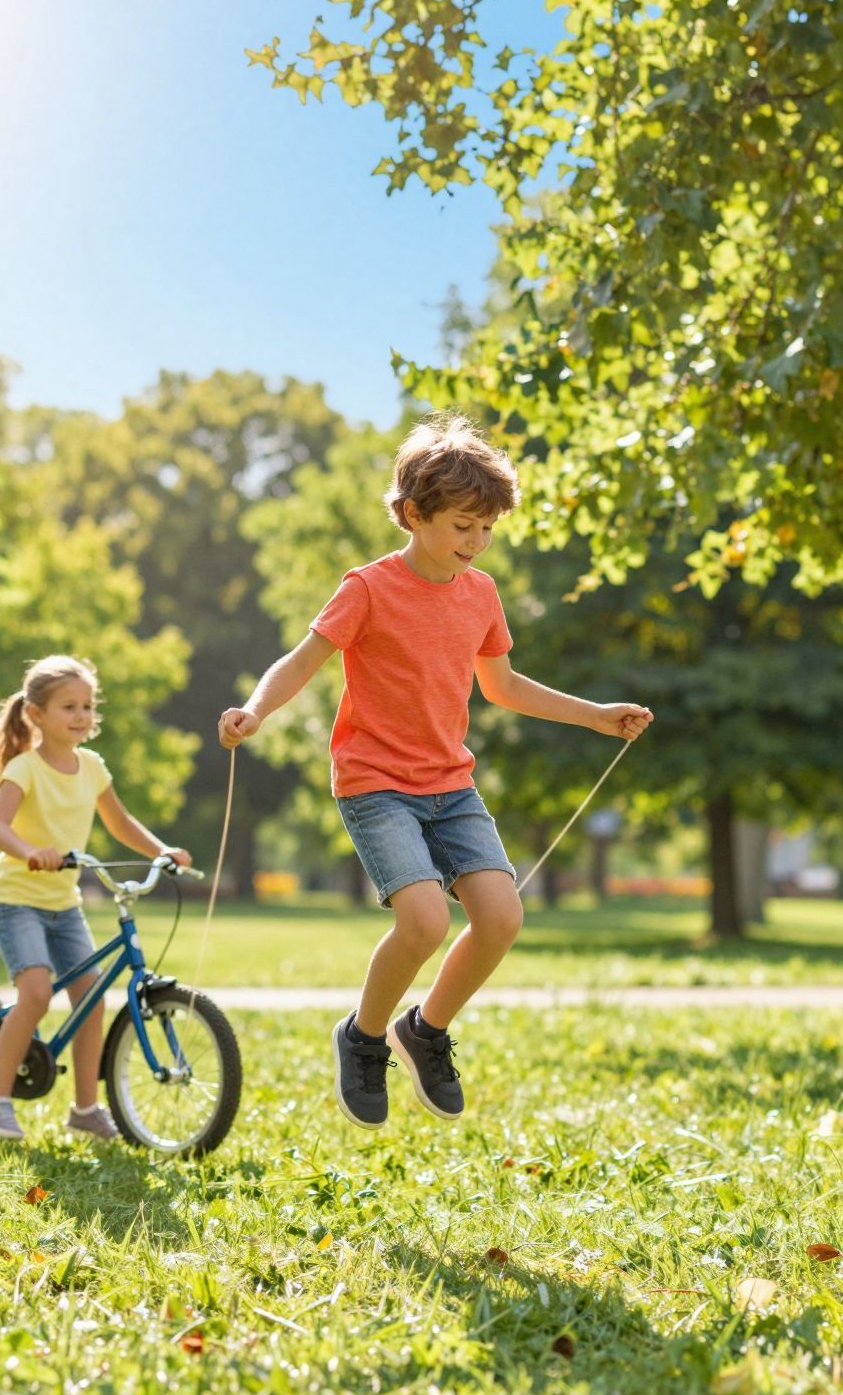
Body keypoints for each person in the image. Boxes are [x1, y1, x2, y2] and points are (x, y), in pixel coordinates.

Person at [217, 414, 652, 1128]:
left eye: (486, 530)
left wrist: (595, 714)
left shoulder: (479, 593)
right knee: (421, 921)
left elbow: (504, 687)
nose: (475, 544)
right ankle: (363, 1038)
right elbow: (301, 661)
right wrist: (257, 711)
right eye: (462, 527)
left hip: (450, 784)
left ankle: (423, 1031)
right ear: (414, 514)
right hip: (375, 782)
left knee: (502, 917)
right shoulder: (367, 588)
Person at [0, 655, 191, 1141]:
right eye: (69, 706)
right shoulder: (24, 768)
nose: (82, 716)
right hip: (17, 897)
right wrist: (30, 852)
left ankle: (86, 1108)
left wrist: (161, 850)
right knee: (36, 993)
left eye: (88, 706)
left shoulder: (92, 767)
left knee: (92, 998)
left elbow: (119, 822)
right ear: (35, 714)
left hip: (64, 903)